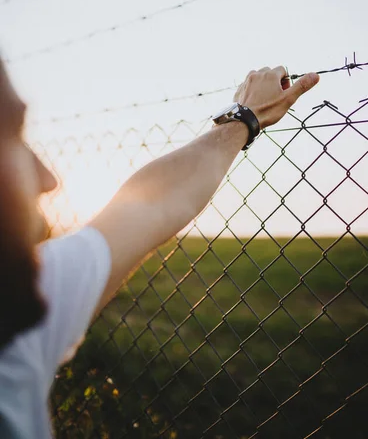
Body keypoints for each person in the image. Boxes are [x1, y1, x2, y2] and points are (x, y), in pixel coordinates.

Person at [0, 56, 319, 438]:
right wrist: (245, 115)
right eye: (12, 135)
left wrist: (245, 118)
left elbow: (153, 205)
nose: (47, 179)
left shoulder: (18, 308)